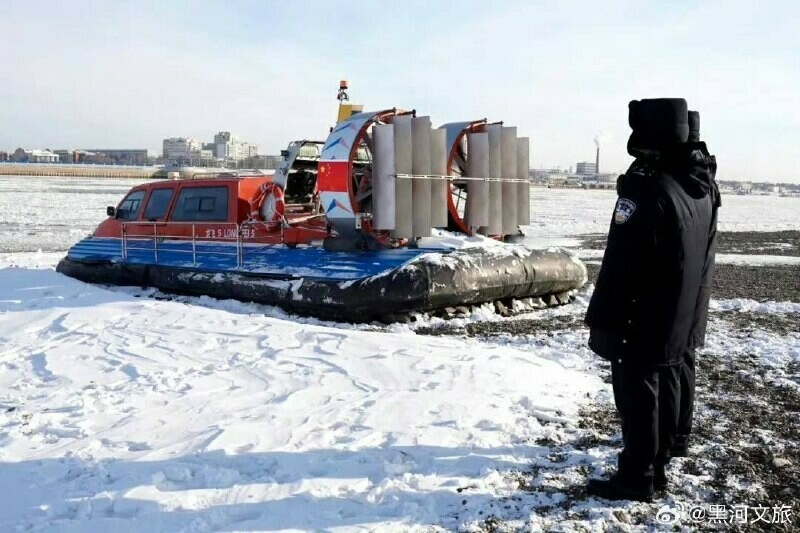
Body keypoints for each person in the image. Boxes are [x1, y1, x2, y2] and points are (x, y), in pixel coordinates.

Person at [584, 98, 719, 502]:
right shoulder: (693, 183)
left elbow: (621, 260)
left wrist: (607, 320)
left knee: (637, 393)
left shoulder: (650, 186)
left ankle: (638, 475)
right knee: (661, 386)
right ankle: (657, 460)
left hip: (641, 313)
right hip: (675, 308)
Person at [673, 110, 720, 457]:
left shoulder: (688, 179)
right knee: (685, 357)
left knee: (677, 359)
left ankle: (675, 434)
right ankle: (679, 433)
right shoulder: (705, 178)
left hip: (688, 281)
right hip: (700, 279)